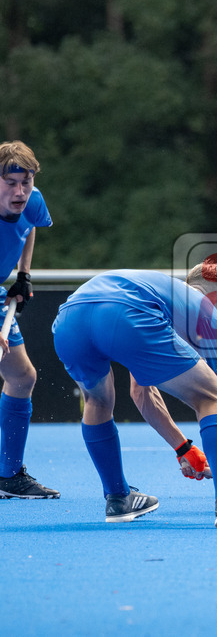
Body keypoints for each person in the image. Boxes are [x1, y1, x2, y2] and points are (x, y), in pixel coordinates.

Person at [50, 263, 217, 527]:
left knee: (97, 401)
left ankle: (118, 498)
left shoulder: (159, 296)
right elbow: (210, 402)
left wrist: (184, 449)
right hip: (123, 314)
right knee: (213, 397)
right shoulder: (208, 313)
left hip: (69, 318)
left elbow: (141, 393)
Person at [0, 141, 58, 500]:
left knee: (22, 377)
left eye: (28, 182)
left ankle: (8, 474)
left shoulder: (32, 201)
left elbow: (30, 225)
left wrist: (24, 274)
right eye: (11, 183)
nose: (21, 191)